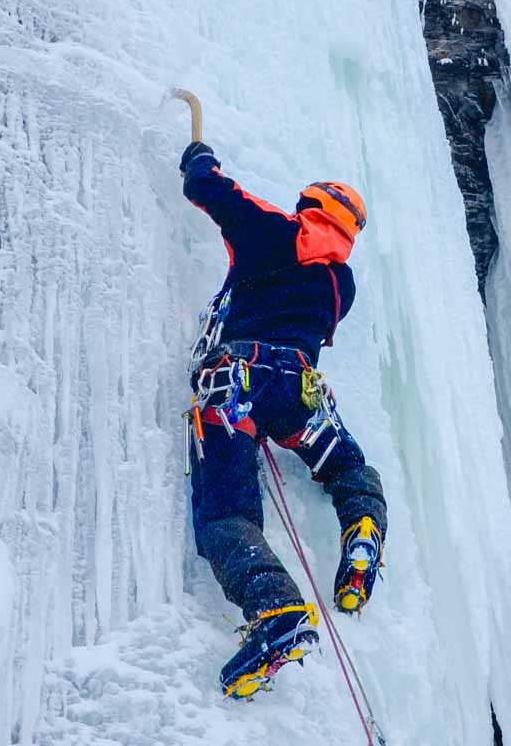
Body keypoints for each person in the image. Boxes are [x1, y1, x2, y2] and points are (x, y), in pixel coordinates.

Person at [180, 139, 387, 700]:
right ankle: (363, 528)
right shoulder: (340, 283)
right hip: (300, 392)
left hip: (238, 382)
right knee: (346, 464)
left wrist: (200, 160)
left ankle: (277, 609)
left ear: (309, 205)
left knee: (226, 514)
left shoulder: (275, 230)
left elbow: (211, 193)